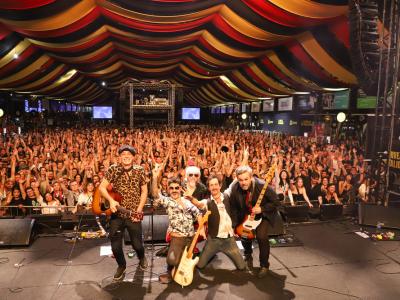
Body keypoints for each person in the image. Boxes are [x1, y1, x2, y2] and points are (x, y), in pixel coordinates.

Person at [99, 145, 148, 282]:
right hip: (117, 214)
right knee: (115, 247)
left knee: (137, 244)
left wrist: (139, 208)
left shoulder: (140, 170)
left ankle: (142, 257)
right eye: (123, 154)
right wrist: (111, 201)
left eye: (129, 154)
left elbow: (144, 191)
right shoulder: (113, 169)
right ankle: (122, 265)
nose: (126, 156)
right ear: (119, 157)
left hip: (133, 214)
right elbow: (102, 187)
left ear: (133, 157)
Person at [225, 165, 280, 279]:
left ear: (251, 177)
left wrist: (262, 209)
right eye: (240, 180)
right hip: (245, 214)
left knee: (261, 237)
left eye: (246, 179)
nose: (243, 182)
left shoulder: (262, 186)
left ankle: (264, 265)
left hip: (262, 214)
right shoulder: (235, 188)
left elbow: (276, 202)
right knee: (244, 235)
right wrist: (234, 226)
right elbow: (234, 209)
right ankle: (248, 254)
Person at [151, 169, 205, 284]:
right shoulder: (168, 201)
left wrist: (202, 228)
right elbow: (155, 194)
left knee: (191, 265)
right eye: (171, 188)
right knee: (171, 260)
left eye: (176, 188)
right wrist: (155, 178)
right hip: (177, 238)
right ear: (168, 189)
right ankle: (171, 257)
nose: (174, 190)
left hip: (190, 238)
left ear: (180, 188)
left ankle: (179, 256)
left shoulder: (188, 202)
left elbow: (198, 213)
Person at [188, 175, 246, 271]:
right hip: (214, 240)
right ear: (209, 187)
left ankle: (218, 253)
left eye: (216, 184)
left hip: (229, 240)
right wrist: (191, 199)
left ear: (220, 185)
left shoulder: (227, 195)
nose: (214, 187)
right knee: (200, 265)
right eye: (211, 185)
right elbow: (199, 204)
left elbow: (235, 181)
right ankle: (211, 253)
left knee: (242, 266)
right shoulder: (207, 202)